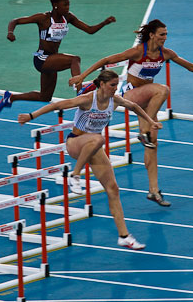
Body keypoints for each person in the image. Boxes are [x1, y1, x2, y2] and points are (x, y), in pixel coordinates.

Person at [68, 19, 193, 207]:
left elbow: (189, 66)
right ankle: (143, 131)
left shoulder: (165, 54)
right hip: (132, 94)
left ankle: (153, 190)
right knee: (162, 89)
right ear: (151, 35)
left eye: (166, 35)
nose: (165, 38)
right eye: (161, 35)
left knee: (152, 145)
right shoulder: (137, 52)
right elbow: (106, 60)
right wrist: (82, 76)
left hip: (148, 101)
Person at [18, 70, 161, 250]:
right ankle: (75, 175)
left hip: (92, 147)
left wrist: (151, 122)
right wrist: (31, 116)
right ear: (101, 84)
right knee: (99, 139)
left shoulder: (114, 100)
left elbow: (134, 107)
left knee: (113, 189)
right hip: (75, 142)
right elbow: (58, 105)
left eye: (117, 85)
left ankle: (124, 236)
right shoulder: (88, 99)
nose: (115, 89)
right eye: (112, 85)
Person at [0, 0, 116, 112]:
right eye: (65, 4)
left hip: (52, 60)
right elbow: (15, 21)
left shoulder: (68, 17)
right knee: (74, 59)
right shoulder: (43, 18)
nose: (68, 7)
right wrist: (10, 32)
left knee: (45, 97)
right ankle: (80, 91)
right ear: (55, 5)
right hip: (41, 58)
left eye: (68, 4)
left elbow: (89, 30)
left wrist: (105, 23)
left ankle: (10, 98)